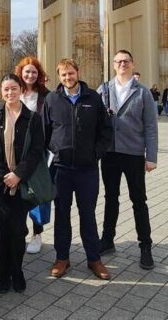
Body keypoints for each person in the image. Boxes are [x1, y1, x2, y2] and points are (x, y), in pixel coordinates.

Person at [43, 58, 112, 281]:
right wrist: (53, 152)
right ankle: (62, 257)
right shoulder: (52, 99)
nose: (67, 78)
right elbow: (43, 132)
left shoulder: (93, 97)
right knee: (61, 214)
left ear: (77, 72)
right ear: (58, 76)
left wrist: (96, 153)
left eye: (71, 74)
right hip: (61, 169)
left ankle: (94, 259)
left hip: (87, 168)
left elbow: (106, 130)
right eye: (63, 75)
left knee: (88, 215)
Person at [0, 74, 45, 294]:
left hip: (22, 184)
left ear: (21, 90)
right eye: (6, 89)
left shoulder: (33, 118)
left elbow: (38, 150)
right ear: (2, 92)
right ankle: (3, 272)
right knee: (1, 231)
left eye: (14, 89)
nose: (10, 93)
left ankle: (17, 270)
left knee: (18, 231)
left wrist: (18, 174)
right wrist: (3, 175)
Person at [98, 50, 157, 270]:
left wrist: (151, 157)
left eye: (126, 61)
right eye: (118, 61)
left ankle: (145, 246)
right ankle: (107, 240)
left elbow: (151, 126)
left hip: (133, 153)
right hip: (110, 153)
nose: (122, 64)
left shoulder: (143, 92)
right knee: (110, 197)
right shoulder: (104, 90)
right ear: (113, 65)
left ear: (132, 64)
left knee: (138, 199)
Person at [16, 56, 51, 254]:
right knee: (17, 194)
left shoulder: (46, 96)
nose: (30, 75)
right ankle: (18, 231)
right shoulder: (13, 91)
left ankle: (37, 234)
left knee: (37, 193)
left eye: (34, 72)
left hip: (38, 151)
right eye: (27, 71)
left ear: (39, 75)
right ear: (21, 72)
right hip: (15, 151)